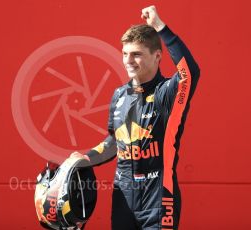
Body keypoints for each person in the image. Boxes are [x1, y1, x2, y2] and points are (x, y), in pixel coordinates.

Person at [71, 5, 200, 230]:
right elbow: (113, 143)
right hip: (123, 199)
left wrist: (160, 27)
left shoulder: (167, 92)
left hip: (159, 199)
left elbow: (190, 71)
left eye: (137, 54)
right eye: (125, 54)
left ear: (157, 56)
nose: (128, 60)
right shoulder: (119, 95)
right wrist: (85, 158)